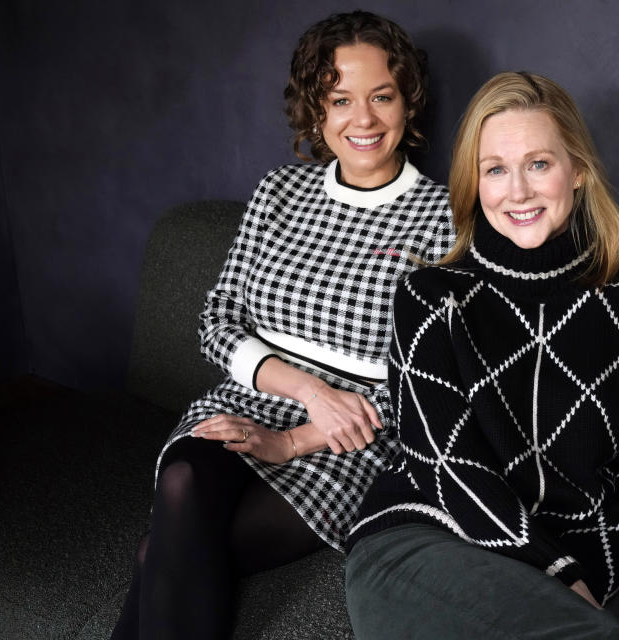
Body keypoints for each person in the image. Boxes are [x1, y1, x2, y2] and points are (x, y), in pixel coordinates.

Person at [111, 11, 454, 639]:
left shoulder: (444, 218)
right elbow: (218, 320)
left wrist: (300, 436)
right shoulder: (278, 192)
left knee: (161, 550)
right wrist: (304, 391)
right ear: (316, 111)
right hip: (252, 397)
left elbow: (429, 378)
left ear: (409, 102)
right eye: (340, 99)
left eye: (382, 96)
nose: (365, 119)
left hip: (350, 439)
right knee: (186, 477)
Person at [344, 71, 619, 639]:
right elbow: (445, 467)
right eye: (495, 170)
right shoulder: (431, 298)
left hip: (575, 563)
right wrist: (557, 572)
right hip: (425, 539)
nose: (518, 191)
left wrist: (583, 581)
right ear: (475, 184)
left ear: (577, 171)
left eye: (538, 164)